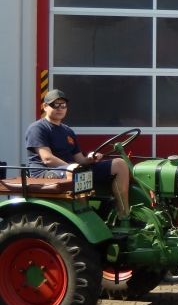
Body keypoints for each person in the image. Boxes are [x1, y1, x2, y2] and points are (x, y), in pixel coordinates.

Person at [24, 89, 130, 219]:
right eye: (55, 105)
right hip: (45, 173)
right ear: (45, 106)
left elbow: (79, 159)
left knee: (120, 164)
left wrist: (90, 158)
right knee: (78, 172)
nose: (60, 108)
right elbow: (47, 159)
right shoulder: (37, 128)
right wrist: (73, 168)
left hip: (71, 170)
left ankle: (124, 215)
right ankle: (86, 218)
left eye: (63, 105)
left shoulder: (67, 131)